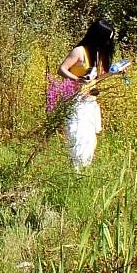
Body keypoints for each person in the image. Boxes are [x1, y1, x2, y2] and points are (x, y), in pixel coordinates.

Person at [56, 17, 115, 170]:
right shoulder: (79, 51)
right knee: (78, 137)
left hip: (90, 103)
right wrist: (77, 79)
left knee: (90, 140)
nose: (109, 42)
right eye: (107, 38)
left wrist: (115, 72)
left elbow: (97, 78)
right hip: (76, 102)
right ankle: (76, 171)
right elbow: (61, 69)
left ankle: (83, 171)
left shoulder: (98, 55)